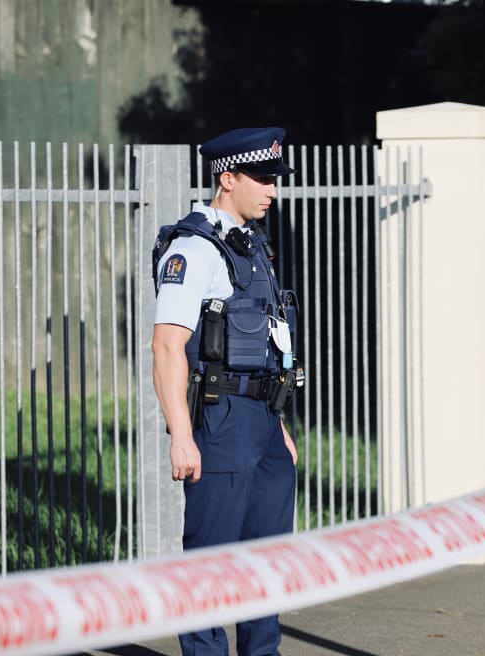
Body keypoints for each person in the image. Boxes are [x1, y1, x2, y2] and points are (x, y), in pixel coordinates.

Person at [152, 127, 302, 656]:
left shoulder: (253, 246)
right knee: (211, 560)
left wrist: (277, 427)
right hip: (219, 422)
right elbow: (167, 348)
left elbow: (265, 343)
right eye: (262, 179)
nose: (273, 190)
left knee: (268, 558)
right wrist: (180, 435)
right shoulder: (194, 250)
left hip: (262, 420)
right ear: (227, 178)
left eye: (274, 179)